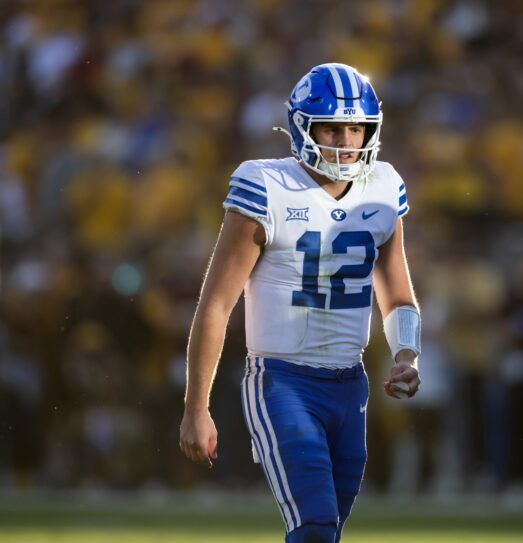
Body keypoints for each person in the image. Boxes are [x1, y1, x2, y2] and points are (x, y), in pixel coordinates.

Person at [178, 63, 422, 543]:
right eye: (332, 126)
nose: (346, 140)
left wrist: (407, 354)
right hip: (282, 381)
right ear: (302, 126)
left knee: (325, 529)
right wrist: (195, 406)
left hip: (350, 382)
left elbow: (396, 289)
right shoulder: (265, 185)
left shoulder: (383, 187)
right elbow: (215, 305)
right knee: (314, 528)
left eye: (356, 127)